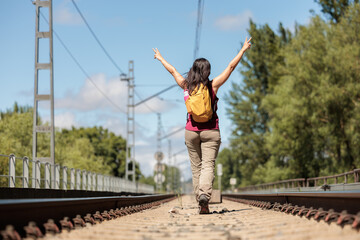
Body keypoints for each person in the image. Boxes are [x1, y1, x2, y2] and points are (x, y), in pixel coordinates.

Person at [153, 37, 252, 214]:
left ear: (193, 70)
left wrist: (160, 59)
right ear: (207, 71)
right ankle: (205, 197)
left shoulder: (186, 85)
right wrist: (243, 50)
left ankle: (200, 199)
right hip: (211, 131)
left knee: (196, 167)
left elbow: (173, 71)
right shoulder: (213, 86)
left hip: (191, 131)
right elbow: (230, 67)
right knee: (208, 165)